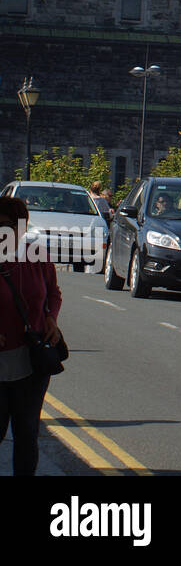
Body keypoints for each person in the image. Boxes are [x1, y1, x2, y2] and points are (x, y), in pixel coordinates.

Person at [0, 195, 62, 476]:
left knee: (27, 433)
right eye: (2, 225)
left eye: (15, 225)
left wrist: (50, 317)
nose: (9, 231)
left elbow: (53, 293)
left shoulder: (36, 255)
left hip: (32, 361)